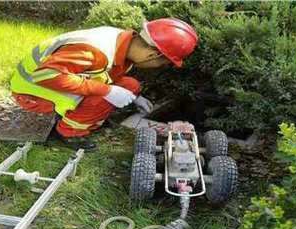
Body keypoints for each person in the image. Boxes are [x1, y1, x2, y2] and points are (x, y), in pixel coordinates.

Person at [10, 18, 198, 150]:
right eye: (162, 63)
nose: (156, 67)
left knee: (129, 85)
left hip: (49, 82)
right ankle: (69, 133)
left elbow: (106, 73)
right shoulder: (94, 51)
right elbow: (46, 75)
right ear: (153, 54)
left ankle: (84, 117)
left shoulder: (122, 41)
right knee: (102, 97)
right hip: (33, 92)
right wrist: (106, 90)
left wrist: (135, 97)